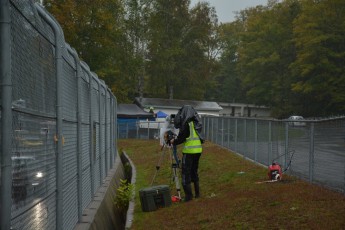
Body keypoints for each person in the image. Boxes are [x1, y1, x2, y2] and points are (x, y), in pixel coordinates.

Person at [170, 105, 204, 202]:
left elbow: (181, 138)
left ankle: (189, 197)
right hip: (198, 151)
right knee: (194, 172)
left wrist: (173, 141)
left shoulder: (187, 124)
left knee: (185, 174)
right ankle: (197, 194)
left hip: (189, 152)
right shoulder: (197, 123)